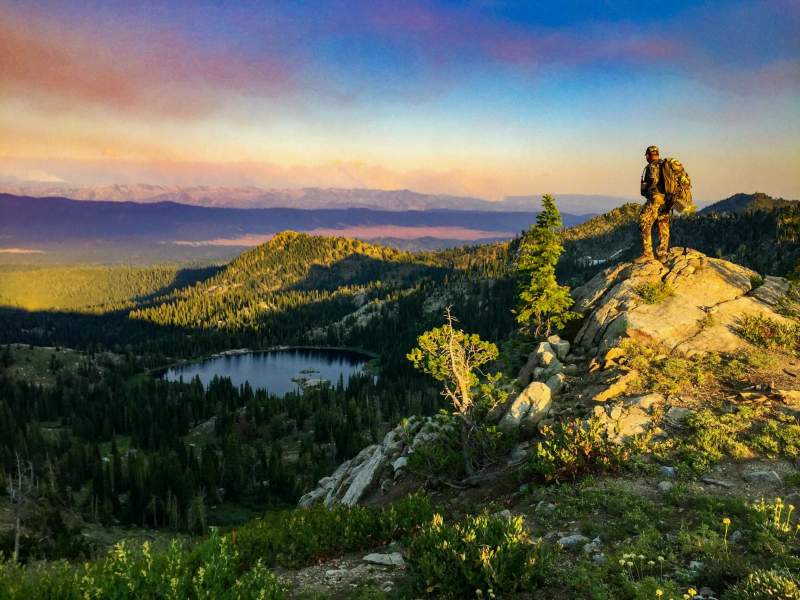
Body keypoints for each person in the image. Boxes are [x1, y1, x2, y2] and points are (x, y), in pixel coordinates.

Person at [639, 145, 673, 261]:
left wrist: (647, 190)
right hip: (667, 201)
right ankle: (662, 253)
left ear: (649, 155)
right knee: (663, 224)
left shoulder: (651, 167)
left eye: (647, 155)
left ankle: (648, 253)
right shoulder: (664, 165)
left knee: (644, 221)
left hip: (656, 199)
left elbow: (653, 182)